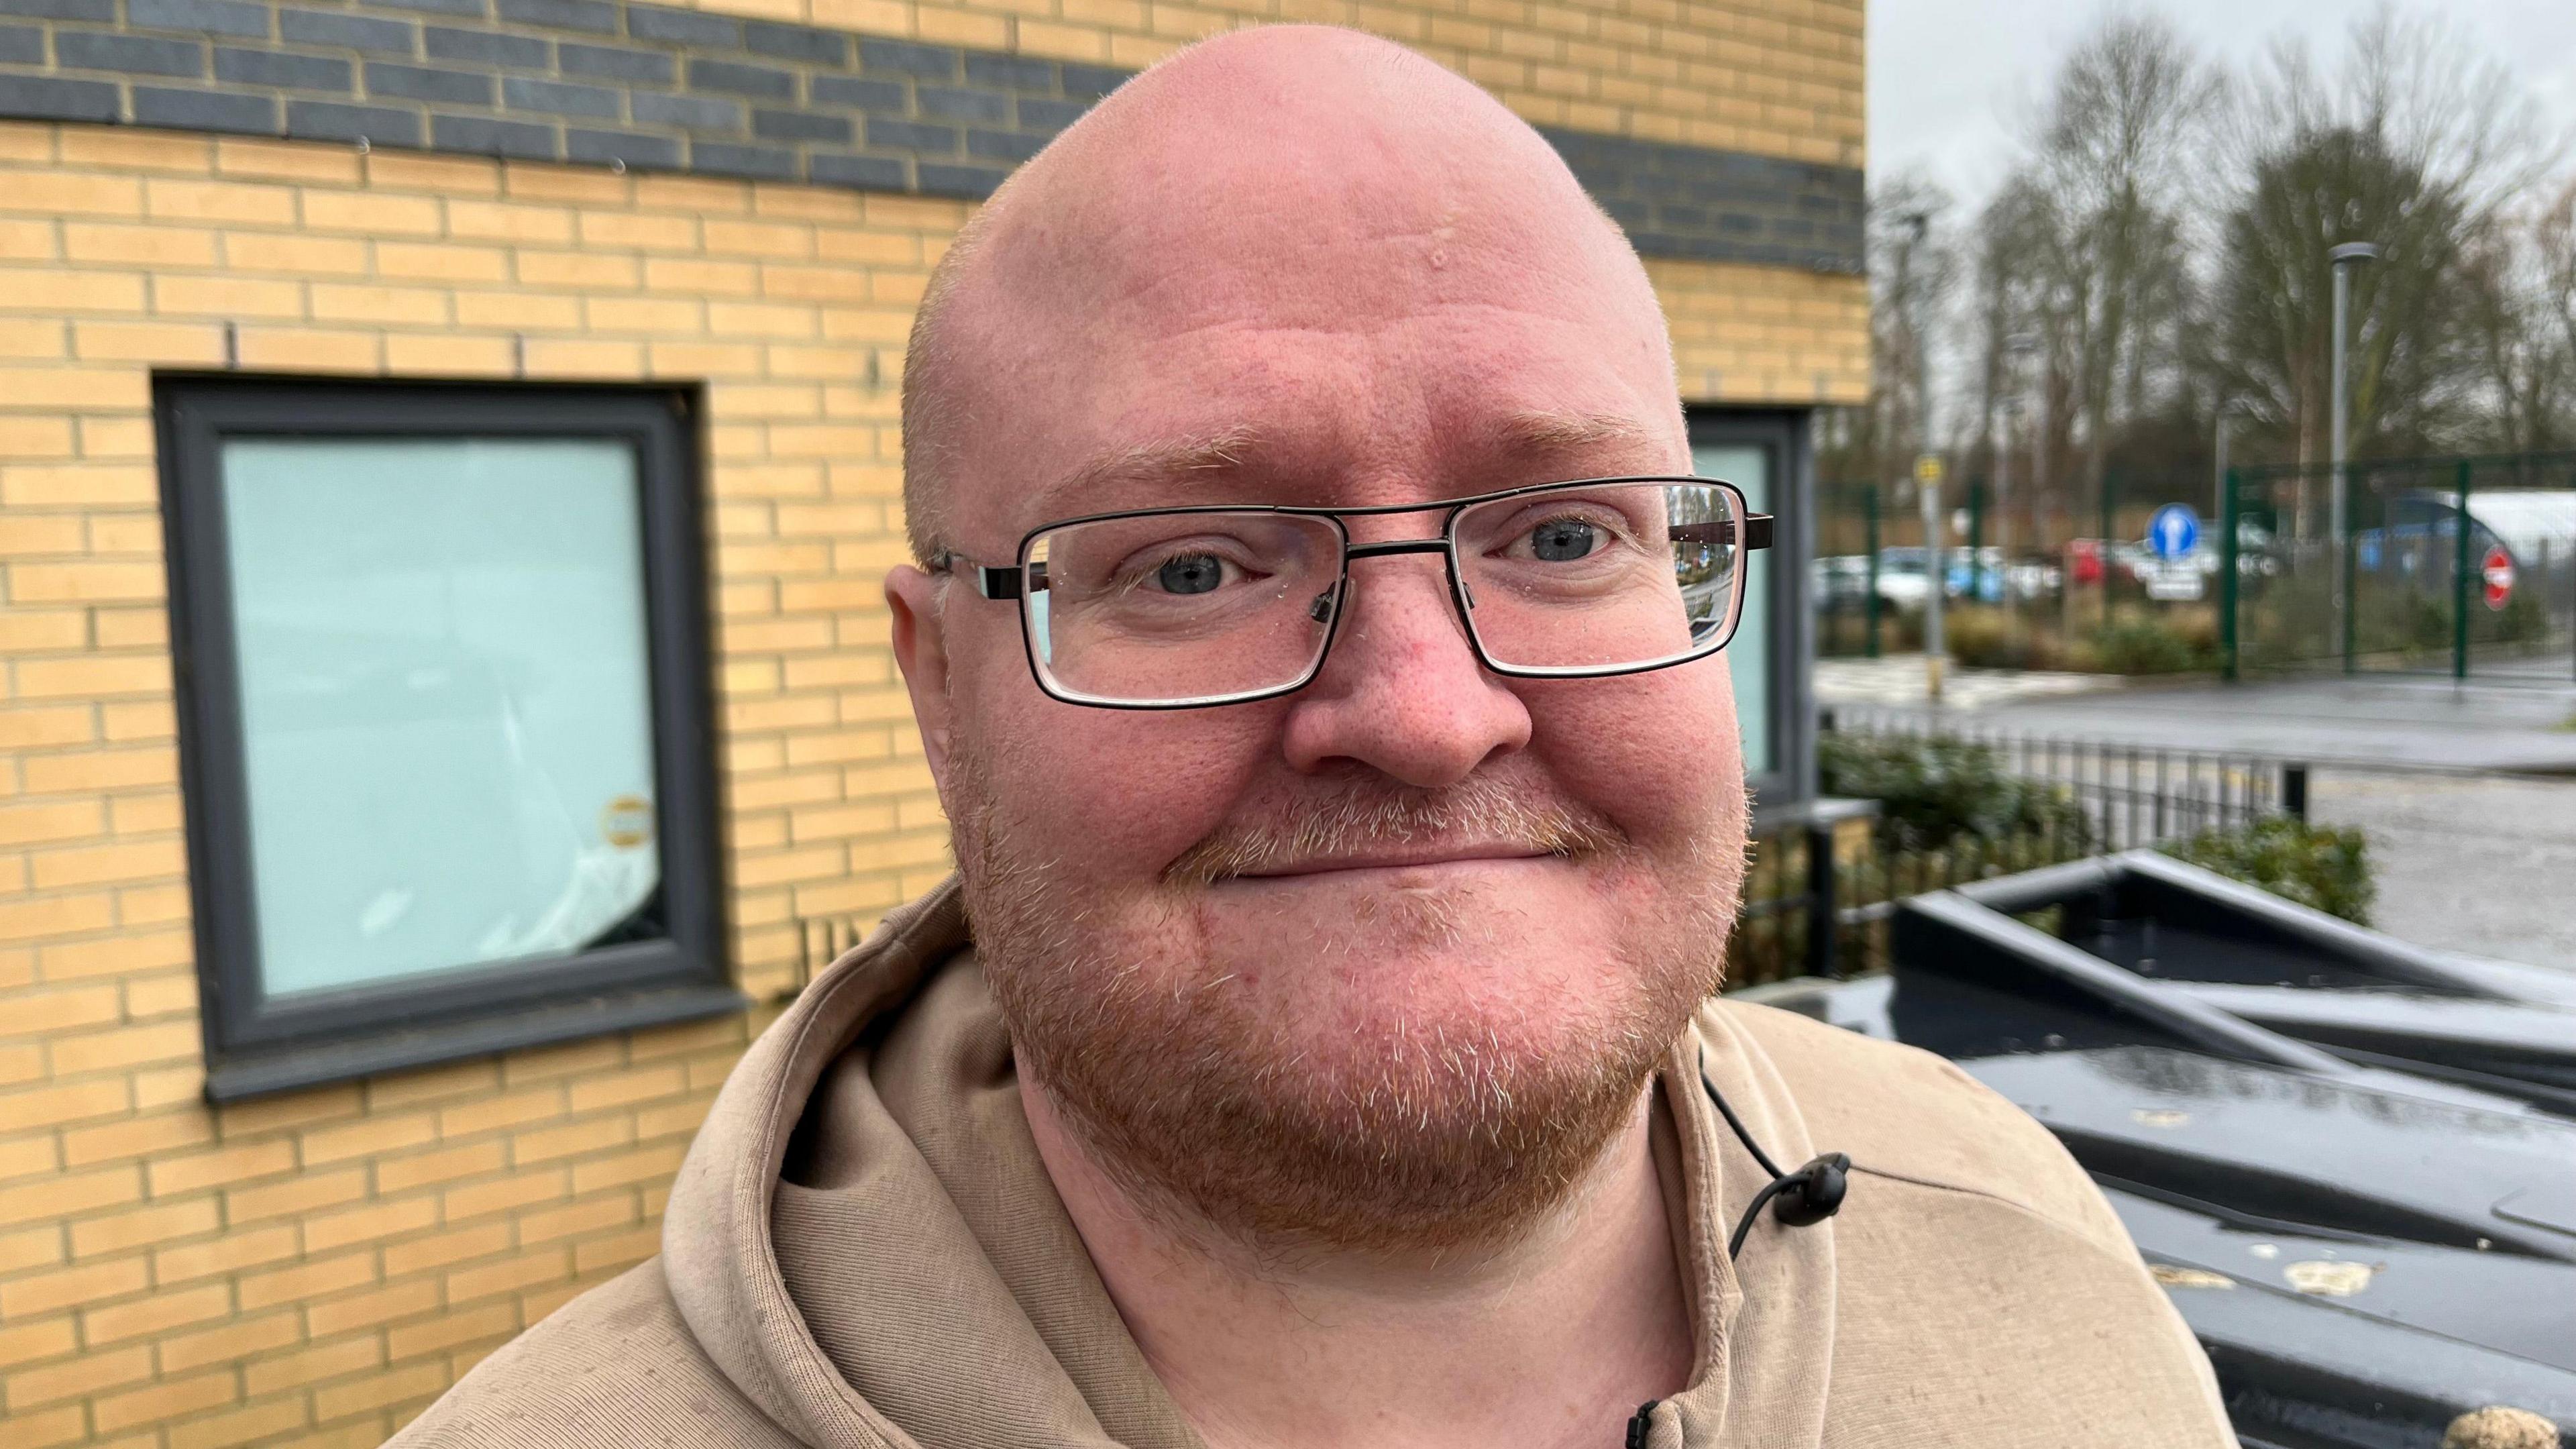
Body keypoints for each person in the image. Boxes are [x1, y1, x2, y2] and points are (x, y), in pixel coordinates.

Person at [390, 25, 2234, 1449]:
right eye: (1193, 566)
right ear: (939, 690)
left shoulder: (2029, 1249)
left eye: (1566, 536)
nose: (1429, 716)